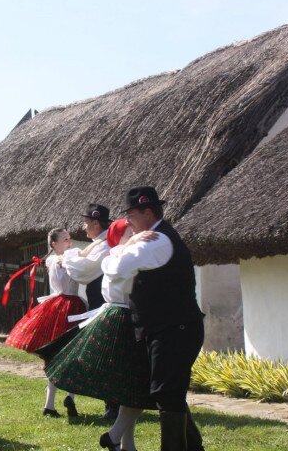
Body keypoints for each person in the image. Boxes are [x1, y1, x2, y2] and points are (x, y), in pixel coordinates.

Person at [41, 219, 153, 451]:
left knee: (131, 386)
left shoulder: (125, 252)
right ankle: (115, 437)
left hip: (127, 318)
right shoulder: (115, 256)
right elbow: (111, 263)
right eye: (128, 231)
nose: (134, 233)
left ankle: (125, 443)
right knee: (133, 384)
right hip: (121, 320)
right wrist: (130, 241)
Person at [116, 187, 205, 451]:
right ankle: (195, 447)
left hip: (175, 328)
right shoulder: (150, 238)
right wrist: (128, 244)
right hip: (165, 327)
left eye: (131, 214)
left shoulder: (156, 240)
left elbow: (115, 269)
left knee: (167, 393)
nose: (127, 221)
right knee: (167, 391)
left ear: (147, 212)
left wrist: (126, 246)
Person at [5, 228, 86, 418]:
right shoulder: (60, 259)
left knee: (62, 353)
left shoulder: (56, 259)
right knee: (68, 353)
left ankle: (54, 403)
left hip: (57, 306)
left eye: (69, 239)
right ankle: (66, 399)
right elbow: (76, 258)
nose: (69, 242)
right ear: (54, 244)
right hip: (69, 307)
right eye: (65, 239)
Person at [61, 203, 118, 421]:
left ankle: (114, 407)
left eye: (86, 223)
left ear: (96, 222)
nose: (83, 227)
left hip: (106, 306)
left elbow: (83, 272)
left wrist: (68, 256)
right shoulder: (97, 244)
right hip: (99, 304)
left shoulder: (105, 246)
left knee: (108, 356)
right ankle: (111, 406)